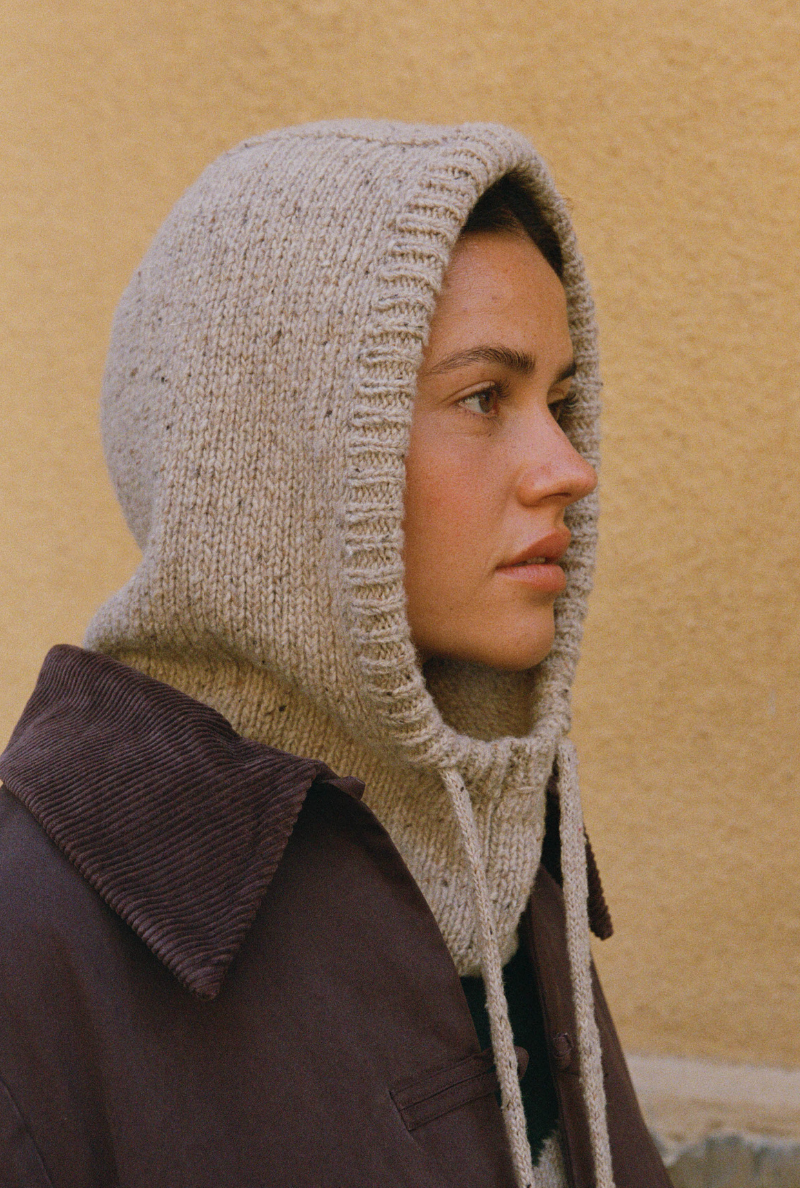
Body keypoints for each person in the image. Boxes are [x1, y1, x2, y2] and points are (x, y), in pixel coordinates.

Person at [0, 120, 669, 1188]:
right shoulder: (38, 941)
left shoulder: (490, 842)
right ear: (278, 450)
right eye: (482, 397)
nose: (565, 466)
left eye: (561, 400)